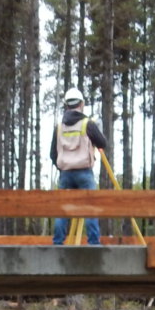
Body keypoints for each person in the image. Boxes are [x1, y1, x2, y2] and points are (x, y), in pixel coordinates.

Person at [49, 87, 108, 245]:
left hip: (66, 174)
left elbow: (52, 154)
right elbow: (102, 143)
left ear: (66, 105)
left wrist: (63, 166)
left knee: (63, 209)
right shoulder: (87, 124)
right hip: (84, 173)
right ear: (81, 104)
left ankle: (58, 242)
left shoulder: (59, 127)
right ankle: (94, 243)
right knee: (90, 207)